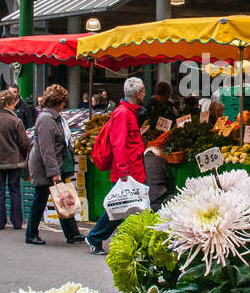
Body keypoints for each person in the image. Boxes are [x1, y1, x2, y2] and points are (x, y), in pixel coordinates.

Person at [85, 76, 146, 254]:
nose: (145, 94)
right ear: (138, 93)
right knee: (118, 209)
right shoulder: (123, 114)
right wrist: (123, 171)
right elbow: (117, 144)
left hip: (132, 169)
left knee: (123, 209)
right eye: (143, 92)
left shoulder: (128, 113)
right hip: (128, 171)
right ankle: (95, 236)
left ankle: (108, 239)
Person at [26, 84, 83, 246]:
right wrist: (54, 173)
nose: (65, 105)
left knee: (61, 198)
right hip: (45, 167)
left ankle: (73, 234)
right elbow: (47, 149)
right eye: (64, 101)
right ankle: (31, 233)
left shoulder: (54, 118)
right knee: (40, 200)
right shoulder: (46, 119)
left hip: (52, 165)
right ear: (59, 102)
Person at [0, 90, 31, 233]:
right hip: (14, 161)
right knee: (15, 190)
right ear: (8, 103)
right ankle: (17, 221)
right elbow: (24, 142)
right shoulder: (16, 121)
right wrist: (24, 156)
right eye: (12, 102)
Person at [142, 127, 176, 209]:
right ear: (157, 153)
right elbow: (170, 181)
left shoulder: (139, 163)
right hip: (159, 201)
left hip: (144, 202)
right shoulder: (160, 160)